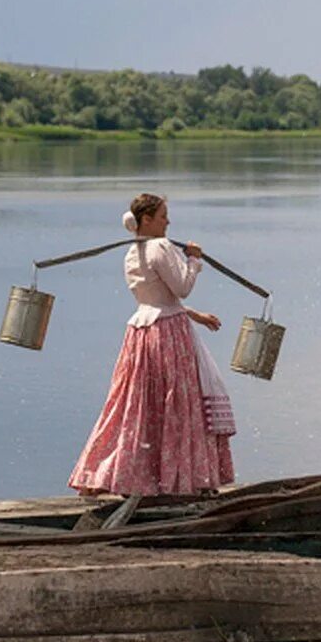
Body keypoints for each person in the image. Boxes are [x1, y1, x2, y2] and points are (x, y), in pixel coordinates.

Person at [69, 193, 236, 497]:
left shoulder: (133, 252)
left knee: (138, 405)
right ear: (147, 220)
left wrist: (195, 315)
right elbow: (182, 288)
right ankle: (179, 481)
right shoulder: (159, 246)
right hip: (168, 335)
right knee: (177, 404)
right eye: (163, 216)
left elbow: (154, 299)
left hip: (141, 334)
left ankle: (131, 477)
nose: (168, 222)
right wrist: (194, 260)